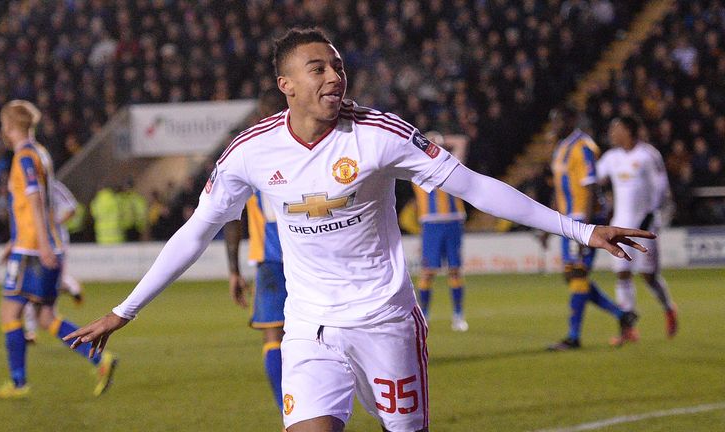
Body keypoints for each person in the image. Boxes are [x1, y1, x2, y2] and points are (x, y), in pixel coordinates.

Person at [65, 28, 653, 432]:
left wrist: (580, 228)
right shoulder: (250, 152)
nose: (334, 77)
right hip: (310, 330)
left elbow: (472, 185)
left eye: (339, 66)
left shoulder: (379, 133)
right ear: (287, 85)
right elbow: (195, 232)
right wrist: (126, 310)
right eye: (317, 68)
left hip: (385, 321)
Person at [0, 100, 117, 400]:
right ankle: (100, 359)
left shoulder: (24, 158)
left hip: (32, 251)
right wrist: (16, 241)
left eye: (4, 123)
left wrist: (39, 244)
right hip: (35, 245)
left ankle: (18, 384)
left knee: (9, 311)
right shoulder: (40, 153)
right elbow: (37, 204)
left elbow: (34, 203)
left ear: (10, 125)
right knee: (44, 318)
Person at [543, 106, 638, 351]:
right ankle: (622, 314)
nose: (555, 124)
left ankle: (573, 337)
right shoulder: (561, 148)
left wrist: (584, 227)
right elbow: (558, 190)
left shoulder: (584, 146)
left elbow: (590, 186)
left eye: (559, 119)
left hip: (580, 221)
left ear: (572, 119)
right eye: (553, 120)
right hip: (566, 221)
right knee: (573, 276)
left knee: (578, 275)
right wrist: (547, 224)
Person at [224, 87, 289, 412]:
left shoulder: (250, 152)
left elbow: (231, 217)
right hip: (312, 260)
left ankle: (288, 416)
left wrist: (234, 270)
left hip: (270, 262)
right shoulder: (307, 146)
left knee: (273, 339)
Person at [597, 116, 678, 344]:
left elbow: (662, 186)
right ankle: (627, 327)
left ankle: (668, 308)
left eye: (616, 129)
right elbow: (593, 178)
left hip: (645, 225)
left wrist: (653, 213)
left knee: (648, 276)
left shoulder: (648, 154)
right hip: (619, 225)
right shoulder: (611, 157)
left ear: (629, 131)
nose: (612, 133)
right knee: (622, 273)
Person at [411, 132, 469, 331]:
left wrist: (440, 140)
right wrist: (423, 142)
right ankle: (424, 315)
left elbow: (461, 141)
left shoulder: (452, 164)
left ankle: (458, 314)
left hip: (453, 221)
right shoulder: (415, 166)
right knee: (427, 272)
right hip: (431, 223)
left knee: (454, 270)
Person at [23, 178, 85, 343]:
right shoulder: (27, 188)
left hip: (55, 246)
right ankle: (31, 331)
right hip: (33, 244)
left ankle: (72, 290)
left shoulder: (54, 187)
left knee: (48, 288)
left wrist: (53, 224)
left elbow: (72, 208)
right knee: (31, 287)